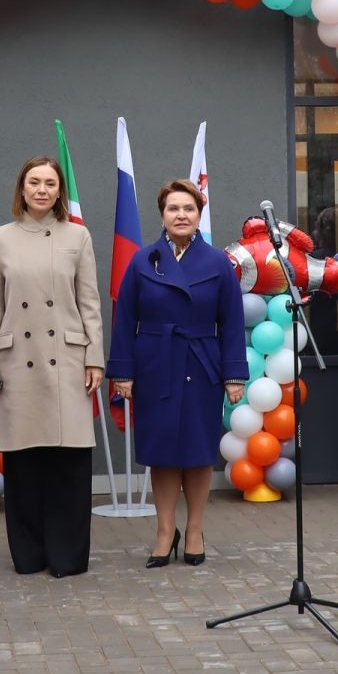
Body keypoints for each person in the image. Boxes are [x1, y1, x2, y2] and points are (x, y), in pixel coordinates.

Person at [106, 180, 247, 567]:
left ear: (199, 214)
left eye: (188, 208)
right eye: (173, 209)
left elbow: (232, 322)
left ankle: (196, 529)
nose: (181, 215)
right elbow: (124, 319)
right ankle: (165, 531)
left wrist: (234, 374)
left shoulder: (218, 262)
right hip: (155, 364)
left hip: (202, 364)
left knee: (199, 452)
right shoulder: (142, 259)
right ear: (162, 215)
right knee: (164, 452)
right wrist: (123, 371)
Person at [0, 157, 106, 577]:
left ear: (59, 191)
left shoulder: (78, 236)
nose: (41, 190)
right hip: (18, 361)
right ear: (22, 188)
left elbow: (90, 303)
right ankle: (29, 555)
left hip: (68, 360)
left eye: (50, 183)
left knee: (68, 464)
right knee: (25, 464)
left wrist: (93, 357)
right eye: (34, 182)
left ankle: (67, 557)